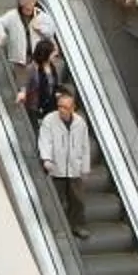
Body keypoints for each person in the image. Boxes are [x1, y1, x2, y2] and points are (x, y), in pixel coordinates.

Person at [39, 90, 96, 236]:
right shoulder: (49, 120)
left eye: (65, 107)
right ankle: (56, 228)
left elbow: (84, 146)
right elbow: (45, 141)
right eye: (59, 106)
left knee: (77, 200)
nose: (61, 110)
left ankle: (77, 226)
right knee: (56, 201)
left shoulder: (80, 123)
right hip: (56, 167)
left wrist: (85, 168)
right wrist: (46, 159)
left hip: (74, 168)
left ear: (72, 108)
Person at [0, 0, 54, 73]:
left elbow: (50, 32)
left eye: (33, 0)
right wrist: (1, 34)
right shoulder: (12, 15)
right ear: (21, 2)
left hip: (38, 60)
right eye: (27, 1)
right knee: (22, 82)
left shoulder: (42, 16)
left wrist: (40, 29)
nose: (31, 3)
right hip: (19, 61)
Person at [18, 34, 63, 127]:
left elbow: (55, 84)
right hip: (36, 106)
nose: (56, 54)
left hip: (50, 105)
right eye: (53, 53)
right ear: (46, 54)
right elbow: (24, 83)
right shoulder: (32, 68)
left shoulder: (53, 67)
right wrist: (22, 93)